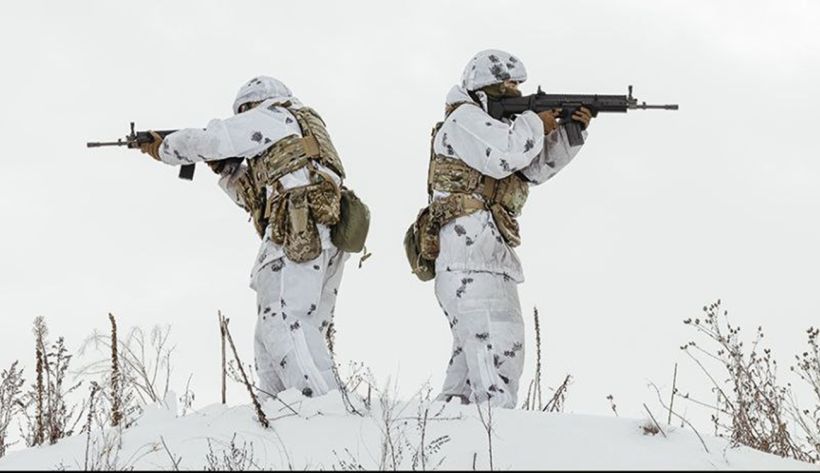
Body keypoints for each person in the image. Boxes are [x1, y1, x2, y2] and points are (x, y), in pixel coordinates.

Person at [138, 76, 350, 399]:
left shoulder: (271, 115)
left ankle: (317, 409)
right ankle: (287, 409)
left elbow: (210, 140)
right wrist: (226, 170)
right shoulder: (300, 129)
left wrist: (164, 148)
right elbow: (255, 201)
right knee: (290, 333)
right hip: (326, 234)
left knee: (282, 323)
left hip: (298, 229)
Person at [419, 49, 592, 408]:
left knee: (472, 373)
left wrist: (569, 131)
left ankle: (444, 429)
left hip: (488, 257)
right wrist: (535, 122)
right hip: (468, 260)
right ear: (486, 86)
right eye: (508, 84)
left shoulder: (497, 129)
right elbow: (506, 156)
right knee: (495, 362)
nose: (515, 90)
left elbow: (532, 169)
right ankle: (493, 434)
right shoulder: (464, 119)